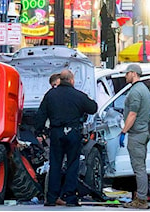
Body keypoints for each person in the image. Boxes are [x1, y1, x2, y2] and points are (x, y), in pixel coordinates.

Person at [35, 69, 97, 207]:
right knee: (72, 164)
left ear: (61, 80)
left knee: (55, 164)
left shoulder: (50, 95)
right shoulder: (78, 95)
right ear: (72, 80)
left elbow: (41, 114)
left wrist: (39, 131)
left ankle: (51, 198)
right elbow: (93, 108)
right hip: (73, 132)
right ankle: (70, 198)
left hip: (56, 133)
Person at [118, 64, 150, 209]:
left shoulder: (136, 91)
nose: (125, 76)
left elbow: (132, 114)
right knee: (140, 166)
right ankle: (140, 196)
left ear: (133, 73)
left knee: (139, 168)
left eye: (127, 74)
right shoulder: (143, 89)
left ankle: (142, 200)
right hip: (143, 131)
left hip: (137, 133)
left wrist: (124, 131)